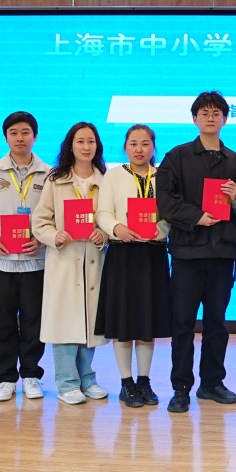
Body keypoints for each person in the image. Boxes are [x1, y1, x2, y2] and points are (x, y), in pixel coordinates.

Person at [156, 92, 236, 413]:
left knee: (217, 323)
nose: (210, 118)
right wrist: (196, 217)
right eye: (204, 113)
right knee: (182, 323)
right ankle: (181, 388)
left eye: (216, 113)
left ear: (225, 119)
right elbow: (165, 200)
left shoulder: (235, 161)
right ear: (194, 119)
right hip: (187, 252)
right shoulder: (176, 157)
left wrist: (235, 198)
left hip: (222, 252)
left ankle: (212, 383)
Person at [0, 111, 52, 402]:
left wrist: (41, 239)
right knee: (2, 321)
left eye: (25, 132)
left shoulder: (49, 174)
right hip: (1, 260)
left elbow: (55, 214)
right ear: (6, 137)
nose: (20, 138)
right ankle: (5, 378)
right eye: (14, 133)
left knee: (34, 320)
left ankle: (31, 374)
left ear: (35, 136)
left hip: (36, 260)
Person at [32, 122, 111, 406]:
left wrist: (103, 235)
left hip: (94, 259)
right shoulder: (56, 180)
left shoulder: (106, 181)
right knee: (65, 322)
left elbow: (112, 218)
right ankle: (66, 382)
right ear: (71, 145)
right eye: (80, 141)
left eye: (91, 141)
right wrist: (54, 235)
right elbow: (39, 221)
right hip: (65, 259)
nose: (86, 147)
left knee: (90, 322)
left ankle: (87, 378)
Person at [94, 124, 172, 408]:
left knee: (147, 321)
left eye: (145, 143)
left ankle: (144, 381)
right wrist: (117, 227)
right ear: (125, 147)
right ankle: (126, 382)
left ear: (153, 147)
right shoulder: (113, 175)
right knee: (123, 321)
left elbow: (171, 213)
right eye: (133, 143)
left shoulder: (163, 176)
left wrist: (162, 229)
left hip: (153, 254)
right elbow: (102, 212)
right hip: (122, 254)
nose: (139, 149)